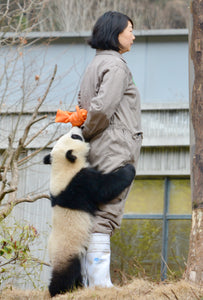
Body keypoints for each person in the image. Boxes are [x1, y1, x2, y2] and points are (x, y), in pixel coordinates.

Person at [78, 11, 142, 288]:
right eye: (129, 29)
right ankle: (100, 285)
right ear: (115, 33)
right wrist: (89, 131)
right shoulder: (116, 66)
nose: (133, 35)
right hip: (113, 145)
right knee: (106, 213)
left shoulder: (94, 65)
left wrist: (83, 135)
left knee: (92, 213)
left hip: (97, 146)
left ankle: (88, 283)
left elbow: (84, 109)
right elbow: (102, 109)